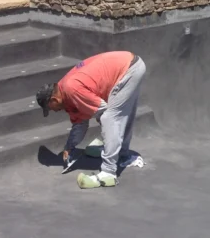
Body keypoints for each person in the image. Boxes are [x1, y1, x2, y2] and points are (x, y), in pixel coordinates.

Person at [36, 51, 147, 189]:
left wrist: (109, 137)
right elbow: (80, 123)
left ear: (53, 100)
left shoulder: (71, 89)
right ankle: (121, 153)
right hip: (128, 65)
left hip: (129, 69)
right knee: (118, 115)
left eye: (51, 108)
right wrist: (70, 146)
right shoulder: (64, 91)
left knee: (109, 117)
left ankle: (108, 173)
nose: (54, 111)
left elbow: (104, 112)